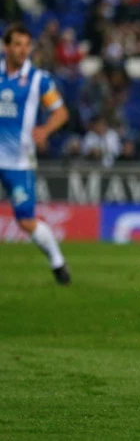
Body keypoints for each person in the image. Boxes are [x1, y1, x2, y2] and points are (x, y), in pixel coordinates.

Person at [0, 23, 71, 284]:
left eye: (26, 45)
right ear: (6, 47)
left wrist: (45, 130)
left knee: (26, 221)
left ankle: (58, 262)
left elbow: (61, 112)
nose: (22, 50)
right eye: (17, 44)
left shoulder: (38, 79)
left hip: (19, 162)